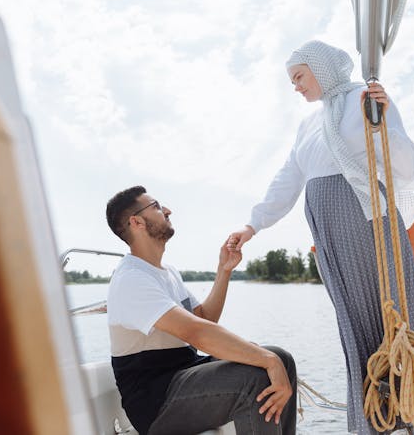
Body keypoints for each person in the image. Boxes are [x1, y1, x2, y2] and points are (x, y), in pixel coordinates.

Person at [227, 40, 414, 434]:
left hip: (367, 224)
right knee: (355, 322)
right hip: (330, 234)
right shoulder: (308, 124)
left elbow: (407, 162)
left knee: (393, 315)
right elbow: (288, 180)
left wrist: (380, 123)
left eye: (298, 77)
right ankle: (375, 422)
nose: (295, 87)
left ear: (321, 69)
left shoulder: (366, 98)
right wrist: (252, 225)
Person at [106, 186, 297, 435]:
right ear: (136, 222)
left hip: (185, 374)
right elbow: (195, 332)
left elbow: (205, 318)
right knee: (256, 379)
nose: (167, 210)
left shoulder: (167, 273)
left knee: (282, 358)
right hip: (156, 401)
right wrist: (266, 361)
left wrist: (224, 270)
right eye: (155, 206)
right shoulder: (131, 279)